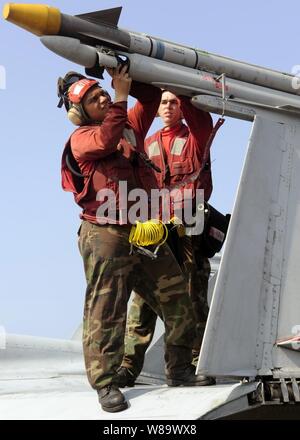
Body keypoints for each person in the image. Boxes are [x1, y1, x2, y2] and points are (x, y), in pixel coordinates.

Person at [60, 68, 211, 413]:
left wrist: (125, 73)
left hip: (142, 233)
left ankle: (180, 369)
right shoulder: (82, 137)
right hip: (104, 234)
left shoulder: (128, 124)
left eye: (103, 93)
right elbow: (106, 140)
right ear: (80, 112)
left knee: (177, 298)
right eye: (93, 99)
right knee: (106, 310)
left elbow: (149, 99)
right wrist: (119, 93)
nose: (103, 98)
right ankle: (105, 383)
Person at [117, 90, 215, 387]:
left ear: (182, 107)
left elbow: (203, 121)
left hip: (186, 236)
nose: (169, 106)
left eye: (174, 102)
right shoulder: (147, 144)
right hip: (154, 236)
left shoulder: (197, 139)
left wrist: (178, 84)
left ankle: (194, 364)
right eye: (163, 102)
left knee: (191, 302)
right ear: (156, 109)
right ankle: (128, 368)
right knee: (142, 301)